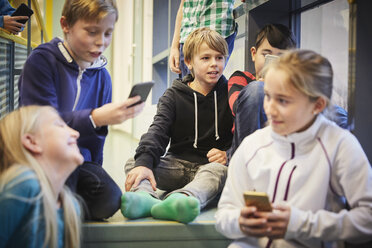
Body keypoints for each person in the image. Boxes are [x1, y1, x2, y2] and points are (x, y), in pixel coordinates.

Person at [215, 50, 372, 247]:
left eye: (283, 100)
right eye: (268, 96)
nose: (269, 109)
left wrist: (301, 223)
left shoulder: (340, 146)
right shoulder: (252, 145)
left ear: (318, 105)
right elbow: (224, 216)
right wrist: (239, 221)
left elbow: (367, 219)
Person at [18, 0, 144, 220]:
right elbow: (41, 125)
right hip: (40, 157)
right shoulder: (42, 61)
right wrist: (94, 118)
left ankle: (56, 206)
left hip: (78, 161)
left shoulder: (102, 76)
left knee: (109, 199)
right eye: (92, 32)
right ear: (66, 25)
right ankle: (52, 207)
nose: (100, 42)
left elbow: (97, 141)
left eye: (107, 33)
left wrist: (96, 169)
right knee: (60, 184)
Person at [122, 27, 233, 224]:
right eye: (205, 58)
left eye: (219, 58)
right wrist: (144, 163)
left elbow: (242, 133)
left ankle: (184, 200)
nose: (214, 64)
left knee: (220, 172)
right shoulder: (173, 95)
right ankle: (145, 198)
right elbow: (158, 131)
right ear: (189, 62)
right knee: (135, 162)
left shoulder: (231, 92)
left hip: (209, 168)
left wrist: (228, 153)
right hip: (176, 166)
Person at [226, 23, 347, 161]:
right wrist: (265, 87)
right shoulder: (242, 78)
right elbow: (237, 105)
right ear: (254, 54)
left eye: (281, 58)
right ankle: (250, 165)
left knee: (336, 112)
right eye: (266, 55)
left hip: (284, 146)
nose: (272, 62)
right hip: (244, 149)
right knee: (256, 90)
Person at [0, 105, 83, 248]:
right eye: (59, 125)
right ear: (32, 142)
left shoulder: (70, 206)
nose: (76, 133)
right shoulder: (25, 185)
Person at [169, 0, 245, 78]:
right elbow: (183, 4)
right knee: (187, 85)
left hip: (217, 29)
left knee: (211, 82)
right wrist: (174, 47)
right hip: (187, 35)